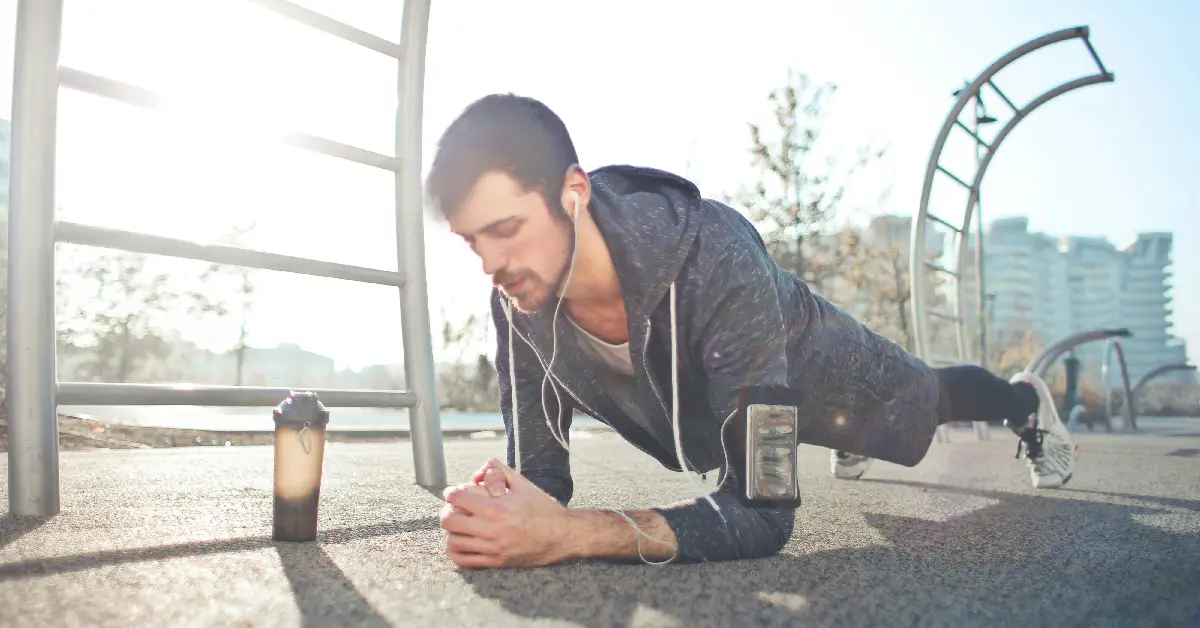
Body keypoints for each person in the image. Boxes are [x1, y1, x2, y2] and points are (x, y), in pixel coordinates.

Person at [426, 93, 1075, 569]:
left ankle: (1025, 400)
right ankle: (832, 436)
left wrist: (574, 533)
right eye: (471, 241)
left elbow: (762, 513)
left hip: (829, 372)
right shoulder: (519, 296)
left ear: (573, 192)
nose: (491, 265)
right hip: (742, 402)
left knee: (929, 403)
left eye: (506, 229)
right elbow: (542, 475)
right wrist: (501, 510)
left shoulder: (716, 256)